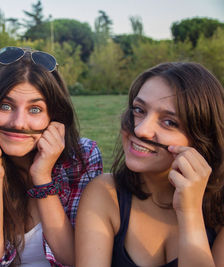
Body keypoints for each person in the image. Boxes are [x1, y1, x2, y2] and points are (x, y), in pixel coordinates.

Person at [75, 62, 224, 267]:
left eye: (169, 122)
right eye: (139, 110)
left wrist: (190, 214)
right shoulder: (106, 193)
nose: (141, 130)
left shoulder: (219, 211)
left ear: (202, 138)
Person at [0, 46, 103, 266]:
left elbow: (75, 260)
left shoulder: (82, 158)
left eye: (35, 109)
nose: (18, 123)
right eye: (5, 106)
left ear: (55, 116)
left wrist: (43, 177)